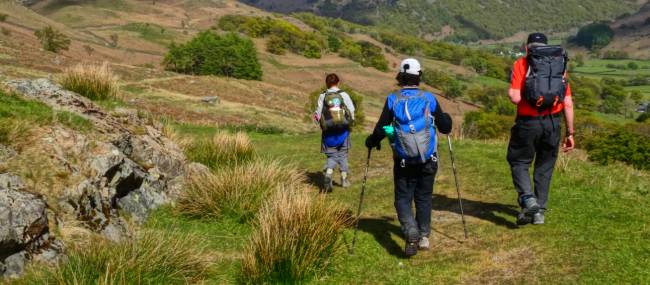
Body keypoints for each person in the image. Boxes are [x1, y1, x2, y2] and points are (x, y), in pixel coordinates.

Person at [365, 58, 452, 257]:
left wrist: (376, 140)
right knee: (423, 197)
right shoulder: (429, 98)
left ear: (400, 77)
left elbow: (382, 128)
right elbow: (445, 127)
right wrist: (446, 118)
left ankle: (410, 230)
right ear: (419, 76)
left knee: (403, 198)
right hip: (428, 160)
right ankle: (423, 236)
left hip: (403, 160)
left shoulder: (392, 99)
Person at [507, 33, 575, 226]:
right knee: (545, 166)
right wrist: (570, 132)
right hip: (553, 123)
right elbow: (567, 102)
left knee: (519, 161)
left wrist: (529, 96)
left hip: (528, 123)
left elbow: (514, 97)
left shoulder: (522, 63)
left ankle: (528, 199)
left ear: (528, 47)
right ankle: (539, 213)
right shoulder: (558, 65)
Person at [313, 73, 356, 192]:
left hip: (328, 132)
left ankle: (328, 173)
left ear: (327, 83)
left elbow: (317, 114)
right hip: (343, 131)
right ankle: (344, 180)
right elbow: (351, 110)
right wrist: (350, 122)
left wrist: (319, 123)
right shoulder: (344, 95)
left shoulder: (323, 96)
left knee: (331, 155)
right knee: (343, 155)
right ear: (338, 82)